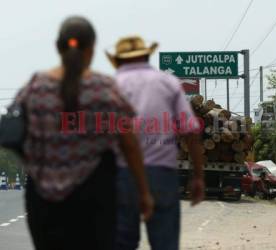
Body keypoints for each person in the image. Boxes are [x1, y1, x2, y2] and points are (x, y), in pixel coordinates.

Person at [13, 17, 153, 250]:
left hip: (43, 201)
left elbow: (16, 135)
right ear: (91, 49)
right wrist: (143, 192)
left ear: (58, 47)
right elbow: (129, 143)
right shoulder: (104, 89)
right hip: (95, 200)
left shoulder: (35, 87)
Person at [106, 36, 205, 250]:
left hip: (122, 177)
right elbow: (191, 132)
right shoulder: (167, 83)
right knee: (165, 244)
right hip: (163, 176)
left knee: (121, 244)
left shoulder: (110, 87)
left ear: (117, 61)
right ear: (146, 55)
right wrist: (198, 177)